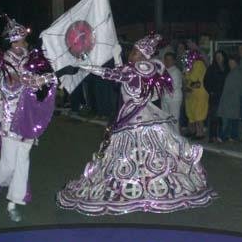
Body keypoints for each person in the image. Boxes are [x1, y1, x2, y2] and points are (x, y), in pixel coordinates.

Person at [56, 34, 216, 215]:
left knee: (126, 155)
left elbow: (108, 73)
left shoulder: (131, 71)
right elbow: (125, 79)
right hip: (148, 116)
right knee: (153, 154)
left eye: (133, 52)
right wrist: (117, 58)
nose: (130, 55)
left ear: (141, 56)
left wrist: (83, 63)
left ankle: (134, 186)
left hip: (131, 119)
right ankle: (154, 184)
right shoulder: (151, 69)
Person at [0, 18, 58, 222]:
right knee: (8, 164)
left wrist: (46, 78)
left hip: (28, 116)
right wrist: (33, 80)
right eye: (21, 40)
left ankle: (13, 203)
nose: (25, 43)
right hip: (10, 118)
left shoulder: (32, 60)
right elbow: (7, 88)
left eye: (25, 40)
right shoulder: (4, 63)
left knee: (23, 161)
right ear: (13, 42)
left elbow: (37, 84)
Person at [183, 50, 209, 140]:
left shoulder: (198, 64)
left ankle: (200, 133)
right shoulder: (193, 65)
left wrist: (187, 73)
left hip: (200, 93)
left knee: (199, 113)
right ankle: (194, 131)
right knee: (192, 113)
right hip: (193, 92)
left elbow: (193, 78)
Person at [204, 50, 229, 143]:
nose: (218, 58)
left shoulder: (227, 68)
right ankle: (212, 136)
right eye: (217, 56)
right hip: (215, 96)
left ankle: (221, 136)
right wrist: (210, 91)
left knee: (222, 117)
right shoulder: (211, 68)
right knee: (214, 117)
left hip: (225, 96)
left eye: (220, 56)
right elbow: (206, 81)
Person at [217, 55, 242, 142]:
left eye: (232, 62)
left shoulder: (236, 73)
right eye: (229, 62)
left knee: (227, 118)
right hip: (231, 99)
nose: (230, 64)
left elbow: (234, 88)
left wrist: (228, 98)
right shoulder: (233, 72)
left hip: (231, 99)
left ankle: (223, 136)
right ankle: (233, 136)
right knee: (232, 118)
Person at [161, 52, 183, 132]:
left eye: (170, 60)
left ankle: (177, 140)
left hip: (174, 99)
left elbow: (173, 86)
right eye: (166, 60)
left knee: (174, 120)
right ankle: (169, 139)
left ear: (174, 61)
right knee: (166, 120)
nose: (167, 61)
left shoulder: (176, 72)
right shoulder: (163, 71)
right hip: (165, 98)